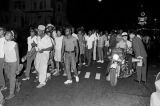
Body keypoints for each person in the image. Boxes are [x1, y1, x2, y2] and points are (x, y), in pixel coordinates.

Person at [4, 31, 20, 99]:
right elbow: (5, 53)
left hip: (13, 63)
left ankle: (11, 94)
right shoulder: (4, 43)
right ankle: (17, 83)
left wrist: (18, 66)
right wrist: (4, 62)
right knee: (9, 76)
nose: (6, 35)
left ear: (12, 37)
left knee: (12, 78)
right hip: (7, 62)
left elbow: (17, 55)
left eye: (8, 34)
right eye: (6, 34)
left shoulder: (14, 44)